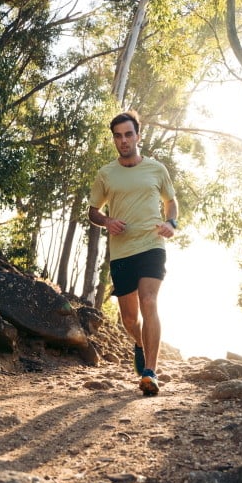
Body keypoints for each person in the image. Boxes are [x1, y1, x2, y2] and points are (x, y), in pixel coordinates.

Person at [88, 110, 178, 396]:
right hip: (122, 251)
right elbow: (93, 211)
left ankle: (150, 372)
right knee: (129, 319)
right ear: (114, 140)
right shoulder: (106, 174)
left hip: (152, 245)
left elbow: (171, 202)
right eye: (118, 136)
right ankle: (139, 343)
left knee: (149, 300)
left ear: (138, 136)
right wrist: (107, 221)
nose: (124, 140)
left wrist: (170, 223)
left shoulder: (156, 169)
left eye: (128, 134)